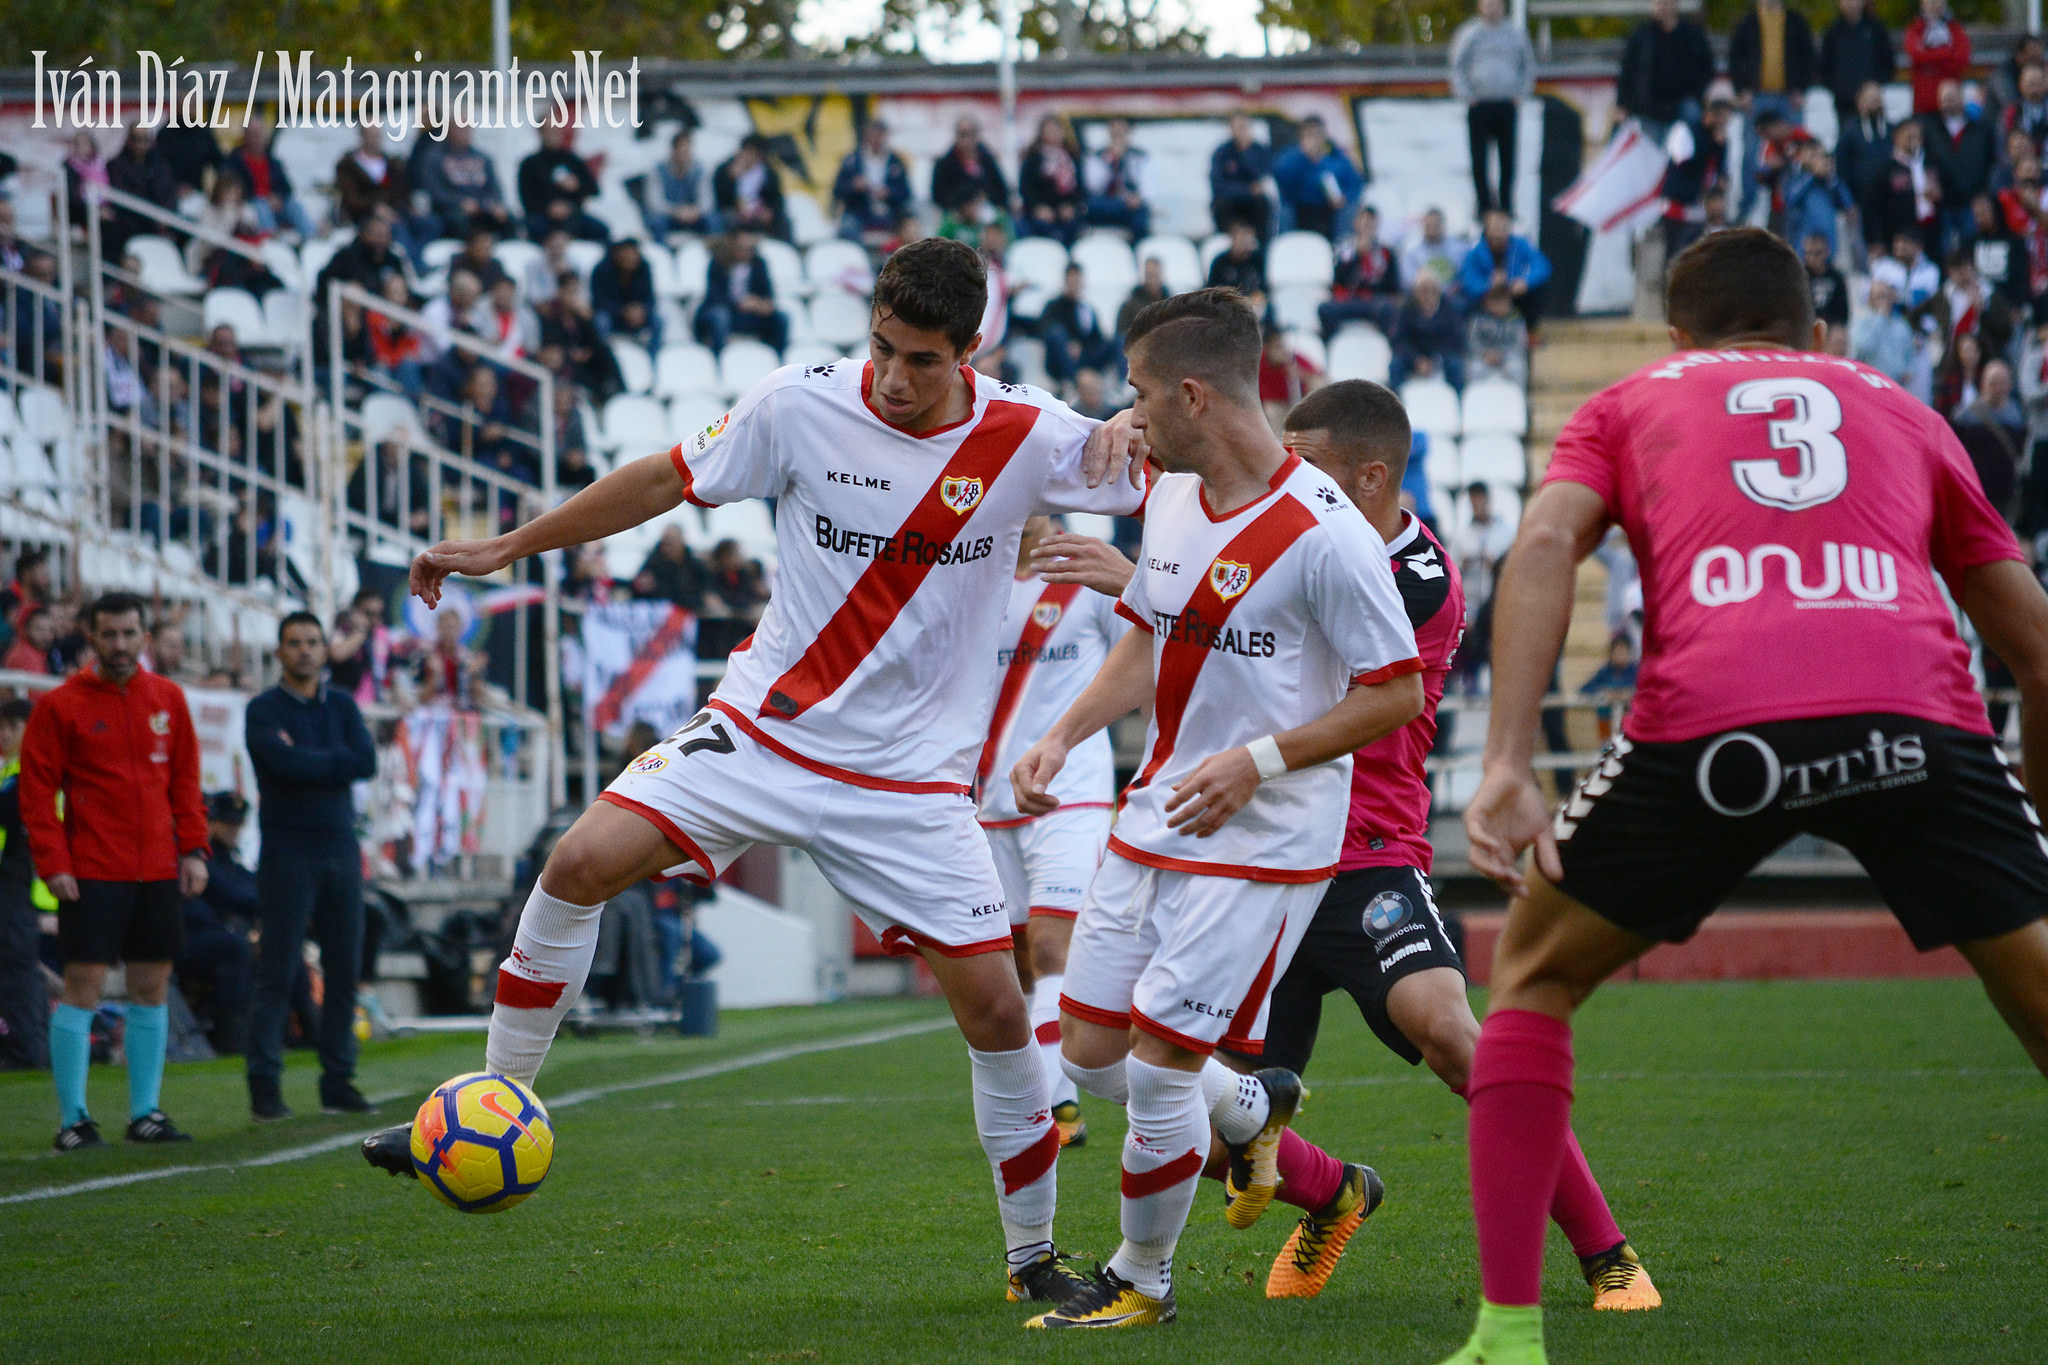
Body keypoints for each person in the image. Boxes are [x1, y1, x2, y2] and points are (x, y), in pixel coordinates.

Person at [362, 236, 1150, 1309]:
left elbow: (1193, 474)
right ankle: (493, 1104)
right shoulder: (795, 403)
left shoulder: (1032, 435)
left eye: (922, 360)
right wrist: (505, 548)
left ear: (973, 349)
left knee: (1000, 1019)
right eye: (881, 348)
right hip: (761, 734)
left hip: (909, 786)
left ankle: (1030, 1261)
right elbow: (659, 482)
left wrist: (1138, 426)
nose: (893, 377)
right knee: (576, 863)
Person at [1440, 226, 2048, 1365]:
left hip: (1717, 726)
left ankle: (1508, 1334)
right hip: (1910, 722)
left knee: (1529, 972)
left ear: (1677, 338)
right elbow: (2036, 651)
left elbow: (1542, 546)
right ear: (1819, 334)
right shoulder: (1904, 408)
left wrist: (1507, 767)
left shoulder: (1626, 402)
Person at [1009, 287, 1423, 1330]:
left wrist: (1258, 760)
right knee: (1088, 1056)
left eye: (1142, 395)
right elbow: (1149, 636)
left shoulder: (1327, 535)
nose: (1128, 417)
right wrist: (1061, 734)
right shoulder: (1172, 498)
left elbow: (1395, 690)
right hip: (1153, 816)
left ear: (1194, 393)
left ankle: (1140, 1282)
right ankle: (1254, 1108)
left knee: (1155, 1073)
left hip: (1264, 844)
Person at [21, 593, 208, 1151]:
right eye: (110, 635)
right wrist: (54, 865)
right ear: (90, 636)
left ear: (144, 637)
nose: (121, 645)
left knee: (152, 987)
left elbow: (185, 783)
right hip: (92, 870)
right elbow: (36, 797)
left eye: (130, 634)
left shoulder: (168, 699)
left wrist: (195, 850)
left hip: (157, 869)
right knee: (82, 988)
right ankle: (73, 1120)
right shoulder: (59, 706)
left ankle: (145, 1114)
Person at [972, 514, 1132, 1150]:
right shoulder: (972, 574)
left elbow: (1142, 663)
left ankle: (1057, 1110)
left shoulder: (1088, 572)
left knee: (1050, 950)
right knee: (1012, 966)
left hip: (1071, 793)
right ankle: (1042, 1095)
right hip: (984, 799)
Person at [244, 612, 379, 1119]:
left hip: (341, 850)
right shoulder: (263, 710)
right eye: (294, 642)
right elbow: (281, 764)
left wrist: (308, 759)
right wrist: (328, 761)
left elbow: (364, 761)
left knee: (345, 969)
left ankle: (338, 1080)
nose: (304, 650)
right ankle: (264, 1085)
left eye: (312, 642)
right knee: (277, 970)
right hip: (287, 853)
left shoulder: (342, 705)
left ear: (325, 650)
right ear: (279, 652)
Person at [176, 792, 258, 1058]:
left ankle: (301, 1030)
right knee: (234, 948)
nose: (234, 830)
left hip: (209, 936)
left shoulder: (227, 859)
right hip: (186, 939)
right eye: (227, 823)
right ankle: (234, 1041)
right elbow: (232, 897)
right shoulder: (196, 858)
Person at [1450, 0, 1536, 217]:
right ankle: (1484, 207)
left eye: (1496, 3)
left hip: (1507, 104)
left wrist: (1520, 94)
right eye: (1488, 3)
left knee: (1508, 160)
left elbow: (1528, 66)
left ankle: (1506, 207)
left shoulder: (1516, 34)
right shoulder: (1469, 34)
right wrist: (1467, 96)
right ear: (1480, 6)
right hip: (1480, 105)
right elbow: (1457, 67)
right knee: (1479, 160)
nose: (1492, 8)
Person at [0, 698, 49, 1071]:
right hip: (24, 888)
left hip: (31, 889)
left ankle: (26, 1051)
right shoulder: (16, 773)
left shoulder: (31, 774)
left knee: (18, 969)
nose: (3, 735)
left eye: (9, 727)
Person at [1616, 0, 1716, 135]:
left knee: (1687, 148)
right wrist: (1623, 104)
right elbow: (1627, 71)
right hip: (1649, 109)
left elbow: (1707, 66)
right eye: (1658, 3)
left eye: (1665, 3)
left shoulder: (1691, 34)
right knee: (1652, 153)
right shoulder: (1642, 36)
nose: (1662, 7)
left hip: (1683, 106)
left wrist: (1697, 94)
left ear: (1675, 5)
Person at [1925, 78, 1996, 256]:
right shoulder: (1931, 131)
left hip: (1972, 201)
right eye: (1944, 99)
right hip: (1944, 203)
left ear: (1961, 98)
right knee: (1945, 250)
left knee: (1972, 247)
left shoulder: (1981, 129)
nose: (1948, 102)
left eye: (1952, 97)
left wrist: (1984, 194)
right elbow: (1926, 163)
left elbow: (1990, 161)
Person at [693, 231, 789, 356]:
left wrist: (760, 304)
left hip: (750, 314)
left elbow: (768, 293)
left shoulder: (759, 264)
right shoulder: (718, 263)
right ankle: (718, 357)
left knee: (781, 318)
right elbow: (714, 296)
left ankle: (777, 357)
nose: (747, 252)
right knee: (720, 316)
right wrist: (740, 303)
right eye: (743, 248)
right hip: (725, 310)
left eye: (751, 249)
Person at [1459, 210, 1549, 338]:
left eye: (1503, 228)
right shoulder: (1475, 251)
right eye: (1495, 229)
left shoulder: (1520, 244)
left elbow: (1542, 267)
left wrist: (1525, 282)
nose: (1499, 233)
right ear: (1486, 230)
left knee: (1538, 290)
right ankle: (1473, 336)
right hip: (1486, 296)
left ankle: (1530, 332)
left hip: (1513, 291)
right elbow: (1469, 282)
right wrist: (1489, 285)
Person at [1273, 116, 1365, 240]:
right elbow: (1282, 180)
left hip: (1328, 209)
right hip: (1299, 208)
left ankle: (1341, 248)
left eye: (1318, 135)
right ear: (1302, 138)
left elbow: (1356, 183)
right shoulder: (1291, 157)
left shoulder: (1336, 159)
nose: (1315, 140)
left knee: (1349, 208)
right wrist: (1304, 158)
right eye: (1310, 135)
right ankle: (1286, 246)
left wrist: (1345, 197)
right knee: (1284, 210)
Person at [415, 121, 512, 239]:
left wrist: (494, 204)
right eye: (459, 128)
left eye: (466, 128)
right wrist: (459, 202)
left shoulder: (482, 157)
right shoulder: (435, 157)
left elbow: (495, 188)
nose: (463, 132)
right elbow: (435, 191)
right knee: (458, 220)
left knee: (508, 218)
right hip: (450, 209)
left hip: (482, 206)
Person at [224, 117, 315, 241]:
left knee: (294, 206)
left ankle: (312, 239)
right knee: (261, 206)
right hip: (253, 205)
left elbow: (287, 188)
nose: (257, 139)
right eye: (254, 135)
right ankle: (273, 243)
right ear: (245, 137)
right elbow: (233, 188)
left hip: (275, 205)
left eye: (260, 134)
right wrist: (265, 200)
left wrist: (278, 198)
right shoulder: (236, 162)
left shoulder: (273, 162)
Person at [1318, 206, 1402, 337]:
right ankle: (1335, 344)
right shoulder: (1344, 248)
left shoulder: (1386, 252)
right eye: (1365, 221)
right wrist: (1358, 256)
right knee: (1325, 309)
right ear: (1356, 223)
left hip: (1373, 301)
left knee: (1390, 310)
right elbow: (1338, 279)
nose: (1368, 225)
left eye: (1371, 222)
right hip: (1348, 300)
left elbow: (1393, 287)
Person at [518, 123, 608, 244]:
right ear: (540, 134)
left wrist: (577, 186)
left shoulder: (572, 160)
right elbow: (526, 199)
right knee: (533, 228)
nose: (552, 136)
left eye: (556, 131)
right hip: (542, 217)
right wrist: (548, 208)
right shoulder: (530, 164)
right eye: (548, 132)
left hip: (572, 216)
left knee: (601, 230)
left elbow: (594, 190)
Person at [1039, 265, 1122, 388]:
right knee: (1057, 334)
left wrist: (1083, 347)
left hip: (1085, 356)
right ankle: (1075, 381)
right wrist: (1069, 343)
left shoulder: (1086, 309)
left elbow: (1097, 337)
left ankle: (1123, 384)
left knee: (1119, 341)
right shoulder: (1054, 306)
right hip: (1061, 360)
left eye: (1077, 282)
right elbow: (1045, 330)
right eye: (1072, 282)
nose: (1075, 286)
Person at [1817, 0, 1896, 127]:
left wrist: (1874, 87)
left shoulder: (1875, 29)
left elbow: (1887, 62)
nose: (1852, 3)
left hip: (1873, 102)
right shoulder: (1833, 31)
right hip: (1844, 103)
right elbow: (1825, 66)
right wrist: (1839, 88)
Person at [1861, 120, 1938, 251]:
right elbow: (1872, 206)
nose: (1913, 140)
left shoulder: (1930, 164)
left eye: (1917, 136)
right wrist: (1874, 239)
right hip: (1896, 235)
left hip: (1930, 233)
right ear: (1896, 137)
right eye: (1908, 136)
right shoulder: (1885, 169)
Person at [834, 119, 912, 245]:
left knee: (910, 228)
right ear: (866, 136)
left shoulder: (895, 162)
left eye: (880, 135)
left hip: (889, 212)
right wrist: (854, 187)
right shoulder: (852, 161)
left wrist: (889, 193)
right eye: (873, 135)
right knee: (847, 228)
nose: (877, 139)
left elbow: (906, 193)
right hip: (859, 212)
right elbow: (838, 190)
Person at [1019, 116, 1087, 246]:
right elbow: (1026, 188)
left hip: (1066, 210)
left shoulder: (1072, 157)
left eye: (1057, 129)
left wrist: (1071, 206)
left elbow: (1080, 188)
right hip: (1041, 210)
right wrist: (1038, 208)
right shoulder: (1034, 157)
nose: (1054, 134)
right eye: (1049, 130)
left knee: (1074, 226)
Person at [1391, 272, 1466, 389]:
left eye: (1432, 290)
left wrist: (1435, 359)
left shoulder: (1449, 309)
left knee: (1454, 365)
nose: (1428, 294)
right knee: (1395, 365)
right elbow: (1399, 339)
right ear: (1416, 292)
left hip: (1441, 354)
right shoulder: (1406, 309)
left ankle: (1459, 399)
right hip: (1415, 354)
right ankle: (1395, 401)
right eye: (1423, 290)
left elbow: (1456, 338)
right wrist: (1416, 359)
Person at [1083, 119, 1154, 240]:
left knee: (1141, 214)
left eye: (1122, 133)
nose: (1119, 137)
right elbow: (1093, 187)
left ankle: (1139, 246)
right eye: (1115, 134)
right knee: (1090, 205)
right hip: (1106, 204)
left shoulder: (1140, 157)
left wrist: (1138, 198)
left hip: (1131, 206)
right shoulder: (1097, 157)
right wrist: (1113, 163)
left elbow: (1149, 186)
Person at [644, 129, 720, 242]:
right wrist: (677, 211)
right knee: (657, 221)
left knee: (714, 219)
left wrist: (694, 211)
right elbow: (654, 203)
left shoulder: (700, 170)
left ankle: (714, 251)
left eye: (688, 151)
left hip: (694, 216)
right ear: (673, 150)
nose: (685, 155)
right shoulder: (657, 170)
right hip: (670, 216)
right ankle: (663, 254)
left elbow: (707, 201)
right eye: (682, 151)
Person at [1210, 114, 1275, 238]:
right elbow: (1217, 185)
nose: (1241, 131)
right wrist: (1246, 190)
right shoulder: (1222, 153)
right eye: (1238, 127)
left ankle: (1261, 245)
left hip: (1253, 203)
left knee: (1263, 202)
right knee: (1221, 205)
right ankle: (1226, 242)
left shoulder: (1259, 151)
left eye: (1244, 127)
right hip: (1231, 201)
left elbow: (1264, 178)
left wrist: (1246, 153)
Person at [931, 117, 1012, 217]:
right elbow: (939, 196)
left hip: (988, 211)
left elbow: (1001, 189)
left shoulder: (987, 161)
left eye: (972, 133)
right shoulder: (944, 164)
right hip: (958, 215)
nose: (969, 139)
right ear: (956, 136)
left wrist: (987, 198)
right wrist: (965, 203)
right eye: (964, 134)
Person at [713, 135, 789, 242]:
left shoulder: (768, 174)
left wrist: (769, 212)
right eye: (747, 151)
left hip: (758, 214)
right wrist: (730, 179)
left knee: (783, 222)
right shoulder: (725, 170)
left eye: (754, 153)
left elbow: (777, 199)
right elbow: (720, 198)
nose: (750, 156)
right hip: (734, 213)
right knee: (723, 220)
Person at [591, 237, 662, 350]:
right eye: (626, 253)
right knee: (601, 321)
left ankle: (653, 357)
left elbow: (650, 297)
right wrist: (623, 311)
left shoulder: (644, 267)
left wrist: (642, 309)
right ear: (617, 254)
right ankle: (603, 354)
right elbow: (599, 301)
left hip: (638, 314)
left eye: (634, 253)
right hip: (613, 315)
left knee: (658, 320)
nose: (631, 257)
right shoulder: (602, 270)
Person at [1904, 0, 1971, 118]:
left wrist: (1930, 57)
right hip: (1923, 103)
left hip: (1951, 103)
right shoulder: (1915, 29)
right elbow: (1915, 55)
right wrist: (1946, 52)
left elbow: (1962, 58)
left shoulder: (1955, 29)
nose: (1934, 4)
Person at [1835, 81, 1896, 207]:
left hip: (1891, 199)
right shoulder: (1849, 133)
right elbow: (1842, 168)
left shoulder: (1893, 131)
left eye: (1878, 99)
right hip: (1861, 199)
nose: (1875, 104)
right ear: (1859, 102)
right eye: (1871, 99)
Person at [1849, 278, 1916, 381]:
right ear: (1871, 300)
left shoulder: (1902, 326)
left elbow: (1909, 355)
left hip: (1895, 383)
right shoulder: (1862, 323)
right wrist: (1880, 318)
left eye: (1887, 296)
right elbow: (1863, 349)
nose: (1884, 301)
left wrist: (1908, 370)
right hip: (1870, 380)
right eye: (1879, 297)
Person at [1467, 283, 1531, 386]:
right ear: (1488, 302)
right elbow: (1472, 342)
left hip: (1508, 356)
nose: (1501, 305)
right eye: (1496, 301)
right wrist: (1485, 354)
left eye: (1504, 301)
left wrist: (1502, 356)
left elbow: (1520, 344)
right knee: (1474, 369)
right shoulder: (1478, 320)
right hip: (1484, 356)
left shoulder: (1516, 320)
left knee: (1517, 368)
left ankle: (1518, 398)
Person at [1401, 207, 1472, 292]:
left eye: (1435, 224)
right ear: (1423, 226)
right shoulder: (1412, 253)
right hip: (1424, 299)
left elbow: (1468, 276)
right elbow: (1409, 282)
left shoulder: (1461, 249)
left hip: (1455, 298)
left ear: (1443, 225)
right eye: (1429, 225)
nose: (1432, 228)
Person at [1207, 220, 1269, 308]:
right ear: (1233, 239)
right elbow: (1211, 289)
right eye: (1241, 238)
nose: (1244, 243)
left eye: (1248, 238)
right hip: (1225, 304)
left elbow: (1263, 288)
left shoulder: (1257, 260)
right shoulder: (1220, 261)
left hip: (1252, 303)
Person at [1804, 232, 1852, 345]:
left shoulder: (1836, 278)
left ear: (1827, 253)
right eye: (1808, 253)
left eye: (1817, 254)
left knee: (1839, 336)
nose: (1812, 258)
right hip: (1805, 326)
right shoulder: (1800, 276)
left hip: (1829, 326)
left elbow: (1842, 313)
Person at [1118, 255, 1173, 340]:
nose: (1152, 279)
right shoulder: (1129, 305)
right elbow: (1122, 335)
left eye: (1155, 274)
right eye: (1149, 275)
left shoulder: (1172, 305)